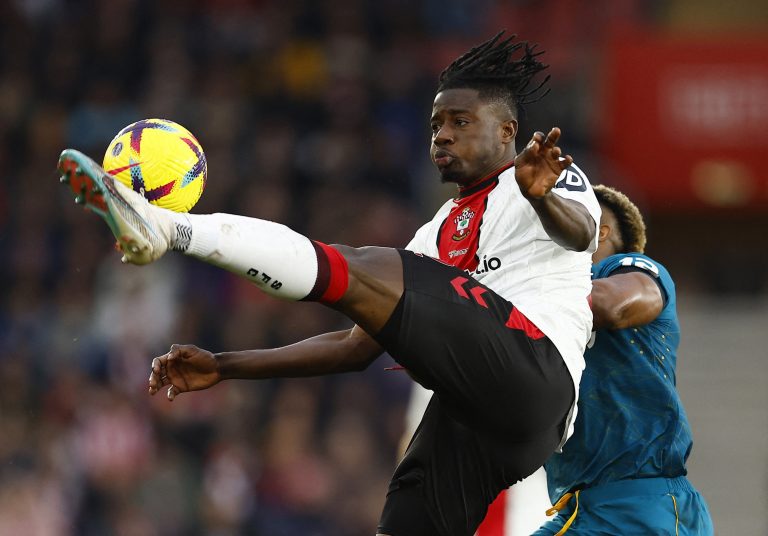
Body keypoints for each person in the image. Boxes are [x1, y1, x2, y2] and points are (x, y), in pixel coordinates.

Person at [59, 32, 601, 536]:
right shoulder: (434, 236)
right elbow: (356, 345)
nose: (442, 135)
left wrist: (541, 195)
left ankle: (170, 228)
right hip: (488, 420)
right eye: (436, 124)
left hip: (538, 369)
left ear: (507, 130)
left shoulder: (543, 177)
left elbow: (579, 236)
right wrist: (225, 365)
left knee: (368, 265)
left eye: (460, 122)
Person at [534, 185, 714, 535]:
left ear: (599, 229)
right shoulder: (544, 298)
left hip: (638, 505)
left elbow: (611, 305)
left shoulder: (625, 268)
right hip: (581, 507)